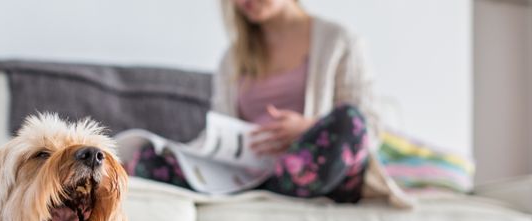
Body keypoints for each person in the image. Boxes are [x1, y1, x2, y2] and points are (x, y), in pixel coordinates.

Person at [128, 0, 405, 205]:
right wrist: (189, 155)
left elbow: (370, 127)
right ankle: (264, 189)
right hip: (254, 172)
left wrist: (307, 128)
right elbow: (221, 128)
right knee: (147, 161)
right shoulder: (234, 58)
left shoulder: (339, 41)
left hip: (317, 167)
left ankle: (278, 186)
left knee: (351, 120)